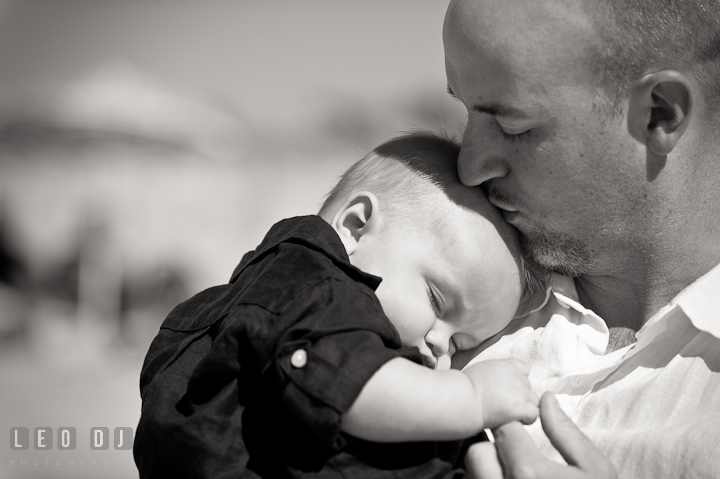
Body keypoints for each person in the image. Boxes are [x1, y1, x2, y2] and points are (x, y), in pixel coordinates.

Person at [136, 132, 578, 478]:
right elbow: (348, 381)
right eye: (436, 300)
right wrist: (473, 396)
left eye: (461, 342)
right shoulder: (311, 286)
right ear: (355, 226)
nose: (440, 347)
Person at [442, 0, 720, 477]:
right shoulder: (443, 277)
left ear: (660, 114)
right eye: (466, 110)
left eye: (514, 126)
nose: (470, 167)